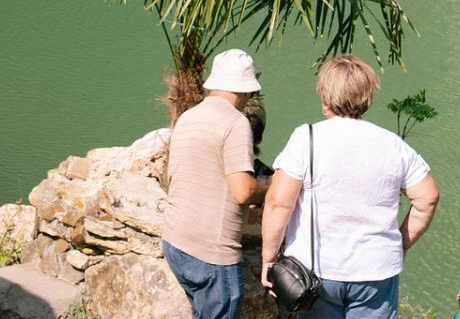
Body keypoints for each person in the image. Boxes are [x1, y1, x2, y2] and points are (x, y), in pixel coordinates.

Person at [260, 55, 440, 319]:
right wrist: (399, 244)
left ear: (324, 96)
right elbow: (428, 198)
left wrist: (269, 259)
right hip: (375, 273)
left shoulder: (306, 139)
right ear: (367, 97)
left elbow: (278, 203)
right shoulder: (392, 145)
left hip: (315, 273)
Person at [163, 48, 271, 319]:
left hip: (176, 243)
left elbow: (193, 181)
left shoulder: (188, 117)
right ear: (246, 90)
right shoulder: (236, 122)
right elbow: (243, 190)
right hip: (212, 254)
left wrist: (251, 216)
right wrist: (272, 187)